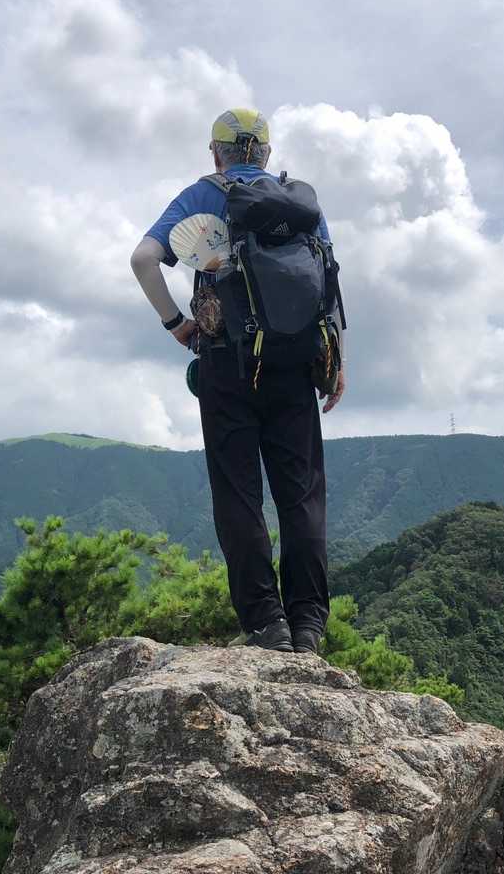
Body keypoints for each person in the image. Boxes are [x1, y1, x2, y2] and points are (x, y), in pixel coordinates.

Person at [129, 107, 345, 653]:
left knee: (238, 492)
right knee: (301, 494)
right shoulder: (299, 205)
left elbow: (143, 259)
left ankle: (266, 623)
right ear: (266, 154)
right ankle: (308, 626)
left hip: (226, 363)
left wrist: (176, 324)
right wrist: (335, 361)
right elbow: (328, 282)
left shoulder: (202, 196)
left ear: (216, 152)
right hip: (294, 364)